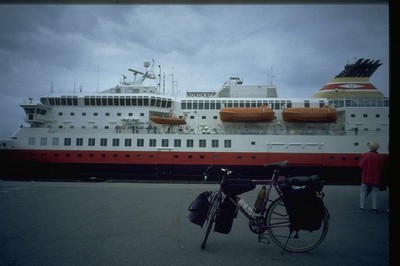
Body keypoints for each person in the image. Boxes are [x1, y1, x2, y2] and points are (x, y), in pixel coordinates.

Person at [359, 141, 385, 213]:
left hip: (365, 176)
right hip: (376, 177)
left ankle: (362, 207)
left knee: (363, 191)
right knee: (375, 192)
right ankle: (374, 208)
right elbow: (382, 167)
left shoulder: (364, 155)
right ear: (377, 148)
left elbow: (361, 166)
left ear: (369, 147)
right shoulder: (380, 157)